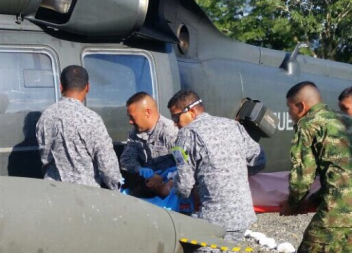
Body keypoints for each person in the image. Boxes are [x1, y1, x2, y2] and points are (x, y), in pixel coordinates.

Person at [168, 89, 265, 243]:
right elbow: (259, 160)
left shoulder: (187, 134)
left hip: (212, 219)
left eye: (175, 117)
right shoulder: (233, 126)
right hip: (242, 217)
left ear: (191, 112)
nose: (174, 123)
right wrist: (234, 172)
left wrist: (172, 184)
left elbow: (184, 188)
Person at [280, 81, 352, 252]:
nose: (290, 114)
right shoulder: (346, 121)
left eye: (289, 108)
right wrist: (312, 201)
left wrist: (293, 204)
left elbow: (302, 178)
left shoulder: (308, 125)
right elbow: (341, 174)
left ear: (300, 106)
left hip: (338, 214)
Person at [35, 65, 122, 190]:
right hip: (85, 195)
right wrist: (118, 188)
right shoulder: (92, 119)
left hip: (53, 191)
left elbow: (45, 157)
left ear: (61, 87)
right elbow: (108, 167)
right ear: (88, 87)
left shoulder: (46, 117)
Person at [120, 92, 177, 178]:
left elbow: (186, 165)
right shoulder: (135, 134)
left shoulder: (170, 132)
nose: (130, 122)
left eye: (133, 117)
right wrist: (138, 169)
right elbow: (126, 160)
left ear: (147, 112)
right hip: (147, 184)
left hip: (168, 184)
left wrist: (167, 176)